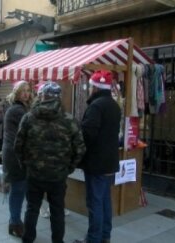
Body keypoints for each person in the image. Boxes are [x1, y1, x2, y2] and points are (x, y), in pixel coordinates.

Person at [14, 81, 86, 243]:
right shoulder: (69, 120)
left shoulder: (29, 117)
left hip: (34, 174)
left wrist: (25, 165)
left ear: (42, 96)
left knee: (32, 208)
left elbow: (18, 146)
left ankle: (28, 239)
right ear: (58, 97)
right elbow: (80, 149)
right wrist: (69, 168)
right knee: (57, 211)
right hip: (58, 175)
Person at [73, 70, 121, 243]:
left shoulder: (96, 106)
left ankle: (93, 239)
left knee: (95, 203)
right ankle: (105, 236)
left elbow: (88, 134)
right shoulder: (114, 105)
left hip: (97, 163)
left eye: (91, 85)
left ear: (95, 87)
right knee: (105, 201)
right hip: (109, 163)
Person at [1, 80, 32, 238]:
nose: (26, 93)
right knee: (18, 190)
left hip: (14, 153)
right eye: (23, 91)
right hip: (15, 155)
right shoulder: (18, 110)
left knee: (18, 189)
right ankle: (14, 222)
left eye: (28, 90)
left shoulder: (19, 108)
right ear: (17, 92)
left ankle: (14, 221)